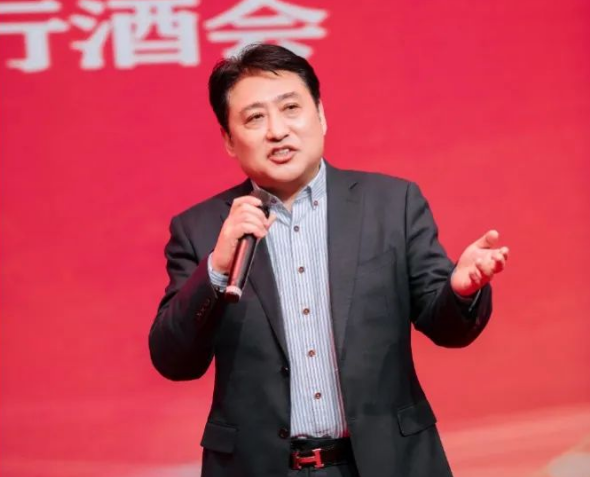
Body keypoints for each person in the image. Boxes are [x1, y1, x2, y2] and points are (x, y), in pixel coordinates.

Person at [149, 43, 509, 477]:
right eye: (255, 118)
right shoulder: (202, 228)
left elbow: (445, 326)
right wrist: (216, 269)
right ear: (228, 139)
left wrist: (460, 291)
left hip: (386, 464)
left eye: (290, 108)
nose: (277, 131)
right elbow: (174, 360)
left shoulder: (392, 204)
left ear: (320, 115)